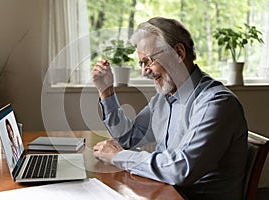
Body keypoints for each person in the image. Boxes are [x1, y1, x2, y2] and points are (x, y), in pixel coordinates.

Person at [91, 17, 248, 200]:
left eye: (148, 61)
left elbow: (181, 169)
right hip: (163, 193)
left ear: (178, 53)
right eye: (142, 63)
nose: (144, 71)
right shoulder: (163, 99)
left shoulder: (216, 103)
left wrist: (118, 156)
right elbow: (128, 138)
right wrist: (106, 92)